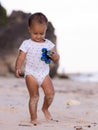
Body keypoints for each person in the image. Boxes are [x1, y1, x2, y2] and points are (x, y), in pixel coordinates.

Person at [15, 12, 59, 125]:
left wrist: (54, 56)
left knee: (50, 94)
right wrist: (18, 67)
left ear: (45, 30)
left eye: (42, 33)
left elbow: (56, 57)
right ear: (29, 29)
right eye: (35, 33)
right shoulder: (26, 43)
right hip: (31, 73)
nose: (39, 36)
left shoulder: (48, 44)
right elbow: (21, 57)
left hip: (44, 73)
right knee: (34, 96)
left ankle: (45, 108)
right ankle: (33, 118)